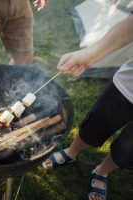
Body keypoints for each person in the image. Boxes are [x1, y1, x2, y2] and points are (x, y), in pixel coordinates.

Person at [42, 14, 133, 200]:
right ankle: (71, 152)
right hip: (129, 85)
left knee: (129, 148)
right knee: (96, 126)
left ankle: (102, 171)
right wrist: (89, 55)